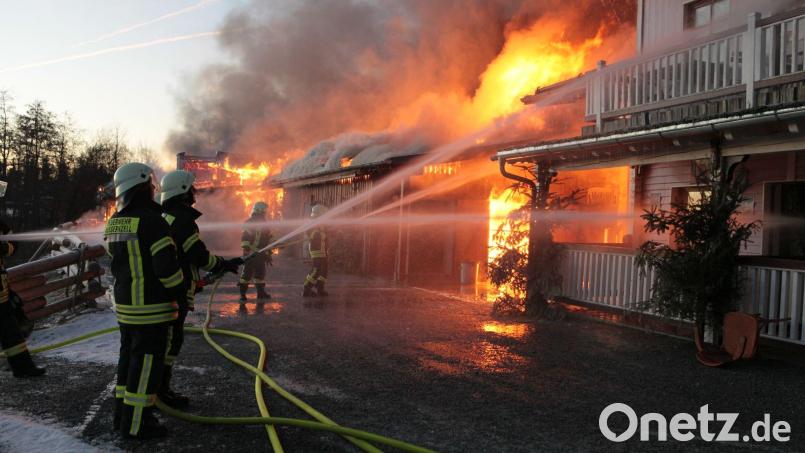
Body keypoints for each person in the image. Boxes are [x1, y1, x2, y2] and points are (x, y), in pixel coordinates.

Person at [105, 163, 186, 439]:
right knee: (146, 367)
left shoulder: (115, 220)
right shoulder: (153, 221)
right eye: (150, 185)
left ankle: (122, 417)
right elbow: (165, 267)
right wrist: (181, 292)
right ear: (140, 187)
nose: (154, 190)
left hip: (126, 309)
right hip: (151, 309)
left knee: (128, 363)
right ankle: (138, 425)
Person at [158, 170, 242, 407]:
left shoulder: (164, 216)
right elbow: (197, 255)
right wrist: (222, 264)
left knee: (162, 339)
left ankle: (156, 388)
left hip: (163, 289)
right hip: (176, 289)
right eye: (191, 189)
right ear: (183, 191)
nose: (194, 193)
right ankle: (161, 390)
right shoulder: (183, 220)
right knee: (171, 341)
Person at [0, 180, 46, 378]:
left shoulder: (1, 225)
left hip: (2, 293)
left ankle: (23, 368)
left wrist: (5, 248)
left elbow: (14, 244)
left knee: (12, 333)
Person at [239, 201, 272, 304]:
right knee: (247, 274)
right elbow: (245, 238)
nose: (265, 213)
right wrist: (248, 249)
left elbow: (269, 237)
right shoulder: (249, 222)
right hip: (251, 254)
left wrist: (276, 244)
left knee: (260, 274)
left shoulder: (264, 223)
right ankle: (242, 295)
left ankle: (261, 293)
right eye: (264, 211)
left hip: (260, 254)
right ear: (260, 211)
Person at [303, 204, 329, 297]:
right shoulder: (313, 223)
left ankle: (320, 288)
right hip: (316, 250)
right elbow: (309, 232)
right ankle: (307, 288)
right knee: (316, 269)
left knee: (324, 269)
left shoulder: (320, 223)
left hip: (322, 249)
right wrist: (315, 235)